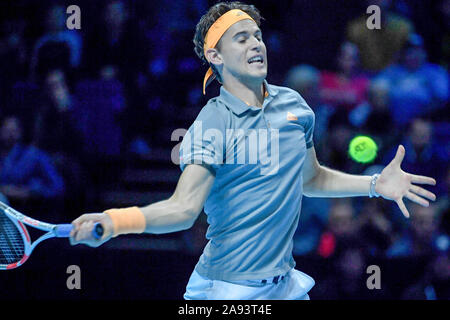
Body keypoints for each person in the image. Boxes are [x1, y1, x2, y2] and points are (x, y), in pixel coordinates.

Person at [69, 2, 437, 300]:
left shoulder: (294, 105)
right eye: (241, 39)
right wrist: (117, 221)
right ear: (215, 55)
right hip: (228, 291)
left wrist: (373, 184)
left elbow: (310, 178)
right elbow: (183, 210)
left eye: (257, 36)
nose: (256, 45)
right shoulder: (212, 124)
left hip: (285, 285)